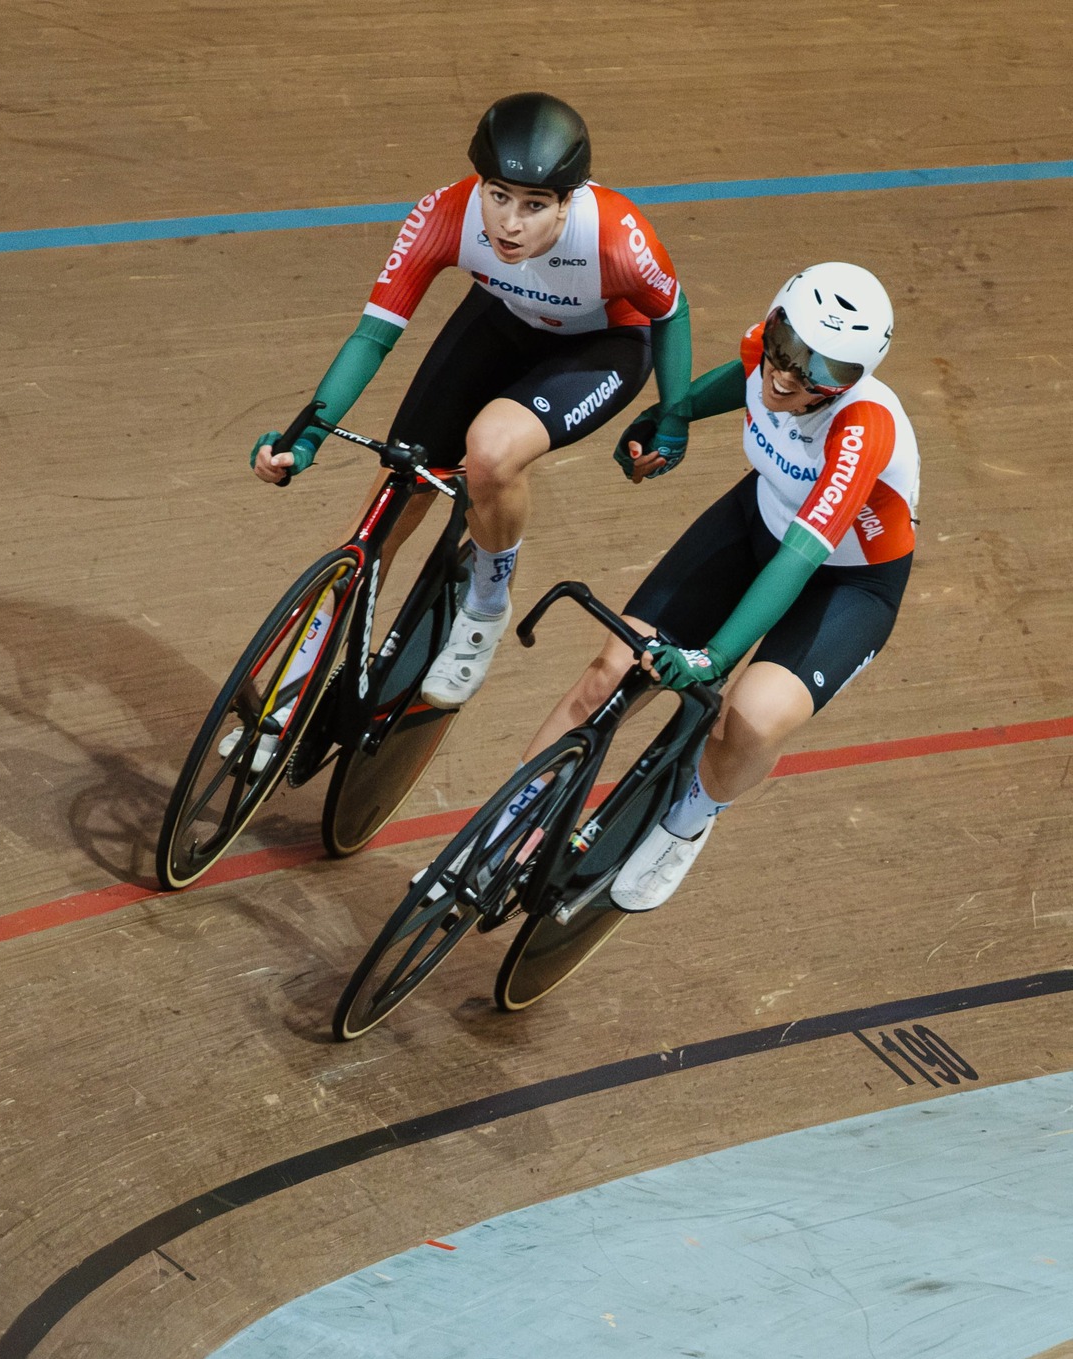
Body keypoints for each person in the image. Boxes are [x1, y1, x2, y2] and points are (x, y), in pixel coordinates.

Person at [249, 91, 693, 746]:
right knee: (384, 509)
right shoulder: (447, 213)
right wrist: (307, 432)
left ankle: (486, 602)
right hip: (502, 322)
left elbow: (670, 312)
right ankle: (295, 686)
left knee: (489, 449)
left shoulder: (615, 235)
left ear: (570, 200)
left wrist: (674, 417)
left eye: (536, 205)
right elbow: (372, 335)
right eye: (499, 195)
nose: (510, 223)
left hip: (600, 347)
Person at [522, 262, 915, 909]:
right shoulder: (765, 353)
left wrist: (716, 656)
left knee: (750, 721)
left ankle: (688, 819)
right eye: (786, 349)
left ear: (853, 379)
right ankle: (511, 822)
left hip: (846, 581)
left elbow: (800, 554)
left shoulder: (863, 427)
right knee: (611, 672)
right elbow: (744, 380)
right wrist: (672, 416)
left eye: (825, 371)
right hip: (756, 519)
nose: (789, 375)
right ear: (777, 323)